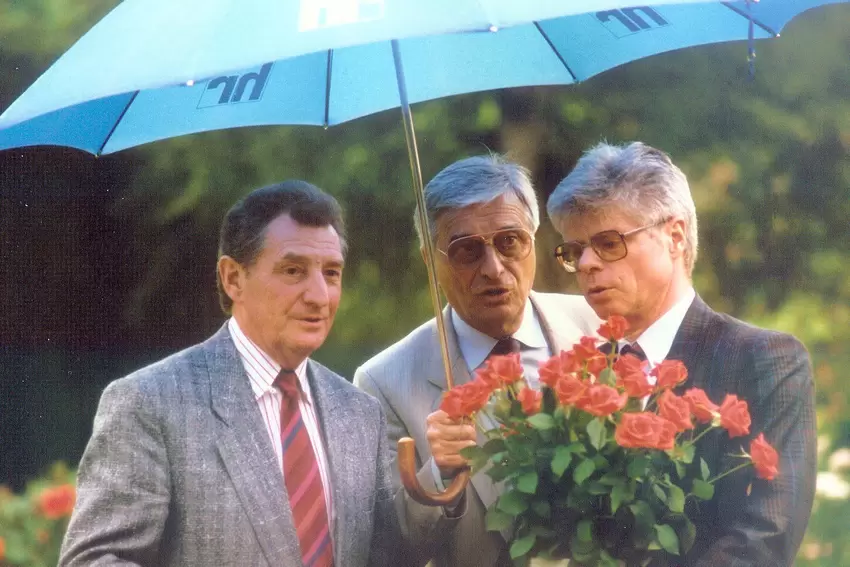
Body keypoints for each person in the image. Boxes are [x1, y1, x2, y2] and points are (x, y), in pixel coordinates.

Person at [59, 181, 401, 567]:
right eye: (294, 270)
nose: (319, 296)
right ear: (233, 278)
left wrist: (442, 485)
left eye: (332, 273)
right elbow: (95, 560)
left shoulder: (360, 412)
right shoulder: (150, 402)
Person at [546, 141, 816, 566]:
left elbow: (766, 535)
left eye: (608, 243)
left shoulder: (763, 358)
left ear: (673, 237)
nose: (586, 265)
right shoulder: (582, 378)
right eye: (574, 250)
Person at [353, 155, 601, 567]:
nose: (493, 268)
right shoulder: (383, 383)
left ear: (535, 239)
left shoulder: (598, 330)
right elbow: (383, 549)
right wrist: (437, 475)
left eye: (510, 241)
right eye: (467, 250)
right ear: (430, 260)